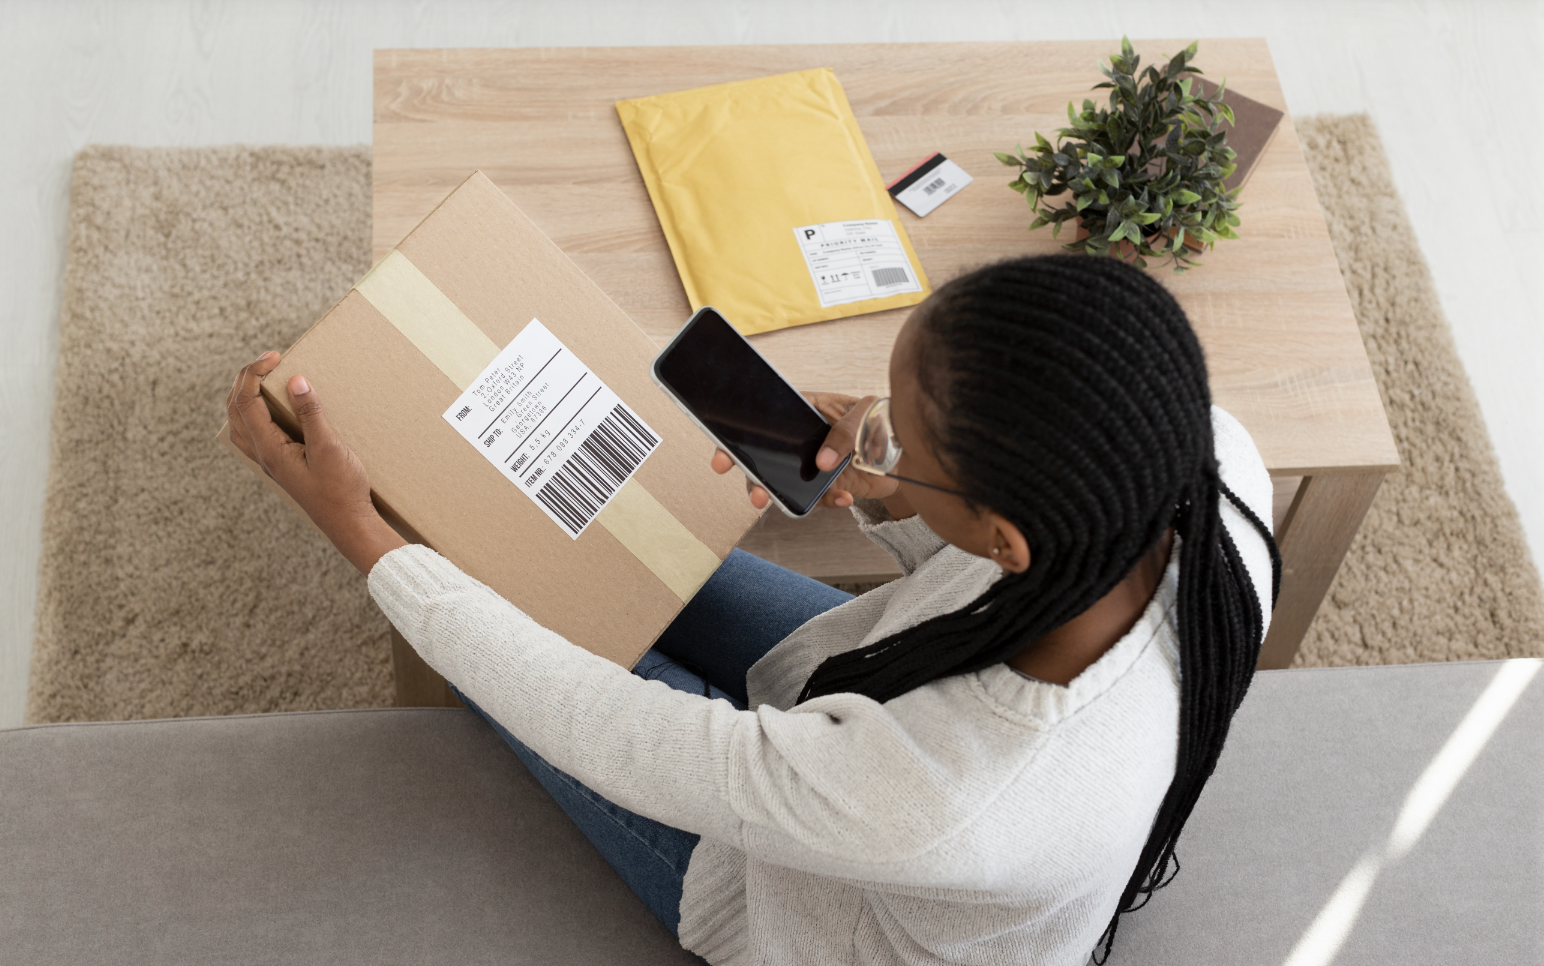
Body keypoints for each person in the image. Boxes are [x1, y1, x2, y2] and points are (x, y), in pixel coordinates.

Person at [226, 254, 1279, 966]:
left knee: (478, 595)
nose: (872, 432)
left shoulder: (955, 803)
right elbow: (970, 563)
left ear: (1008, 536)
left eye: (897, 436)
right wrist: (892, 475)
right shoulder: (1205, 459)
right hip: (880, 701)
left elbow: (615, 731)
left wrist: (365, 536)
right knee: (583, 538)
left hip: (797, 900)